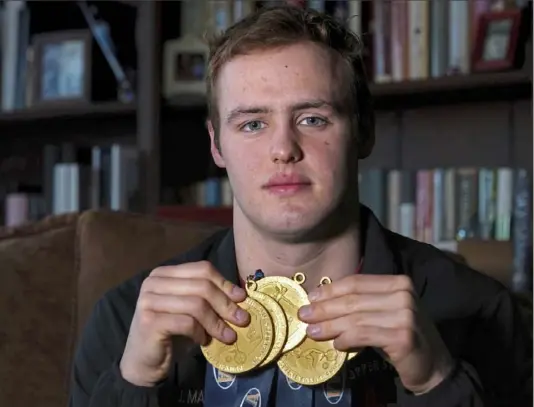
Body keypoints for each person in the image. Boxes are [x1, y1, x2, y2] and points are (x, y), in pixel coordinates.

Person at [68, 5, 532, 407]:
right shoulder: (128, 320)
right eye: (252, 124)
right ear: (216, 146)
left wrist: (437, 382)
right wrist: (132, 386)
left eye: (312, 119)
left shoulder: (481, 312)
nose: (284, 149)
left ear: (364, 132)